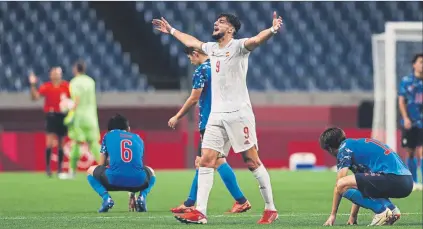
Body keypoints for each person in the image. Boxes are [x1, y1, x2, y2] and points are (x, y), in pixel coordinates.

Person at [153, 12, 282, 224]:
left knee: (251, 161)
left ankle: (270, 208)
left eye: (221, 22)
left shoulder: (239, 47)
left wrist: (273, 29)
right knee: (206, 161)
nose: (216, 23)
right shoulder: (212, 49)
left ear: (230, 29)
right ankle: (200, 212)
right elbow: (192, 41)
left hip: (239, 113)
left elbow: (257, 39)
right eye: (216, 21)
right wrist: (172, 31)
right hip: (216, 115)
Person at [168, 47, 251, 214]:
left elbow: (194, 97)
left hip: (211, 122)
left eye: (190, 57)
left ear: (196, 54)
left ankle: (241, 200)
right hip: (230, 116)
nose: (190, 61)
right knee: (203, 161)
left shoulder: (202, 70)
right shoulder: (222, 66)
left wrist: (177, 116)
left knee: (215, 161)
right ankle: (190, 202)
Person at [319, 127, 413, 226]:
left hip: (393, 177)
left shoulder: (344, 149)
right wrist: (353, 216)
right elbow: (361, 185)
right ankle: (391, 210)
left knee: (342, 184)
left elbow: (339, 184)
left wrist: (333, 215)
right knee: (361, 183)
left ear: (329, 148)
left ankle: (381, 211)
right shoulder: (355, 145)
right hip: (406, 181)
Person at [87, 114, 156, 212]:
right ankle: (142, 197)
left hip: (113, 181)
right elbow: (136, 166)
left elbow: (101, 164)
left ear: (110, 129)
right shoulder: (138, 138)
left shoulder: (108, 135)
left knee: (90, 171)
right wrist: (132, 194)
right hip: (138, 182)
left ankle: (106, 198)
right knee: (151, 172)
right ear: (128, 128)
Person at [61, 61, 101, 179]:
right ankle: (106, 170)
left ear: (75, 69)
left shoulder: (74, 82)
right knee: (94, 144)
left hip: (79, 117)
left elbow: (76, 99)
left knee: (77, 143)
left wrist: (67, 107)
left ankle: (71, 172)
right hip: (91, 117)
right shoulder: (91, 81)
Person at [29, 67, 69, 177]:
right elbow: (34, 97)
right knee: (49, 142)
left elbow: (73, 99)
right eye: (53, 73)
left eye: (57, 73)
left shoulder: (66, 86)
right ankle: (48, 168)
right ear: (50, 75)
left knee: (61, 143)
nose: (55, 75)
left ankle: (60, 169)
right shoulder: (46, 86)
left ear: (61, 75)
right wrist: (33, 84)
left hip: (62, 116)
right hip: (51, 116)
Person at [398, 53, 423, 191]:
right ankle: (413, 181)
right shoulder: (406, 81)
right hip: (409, 122)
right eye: (420, 62)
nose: (422, 65)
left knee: (422, 150)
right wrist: (406, 118)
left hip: (422, 122)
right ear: (414, 64)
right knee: (410, 152)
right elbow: (402, 101)